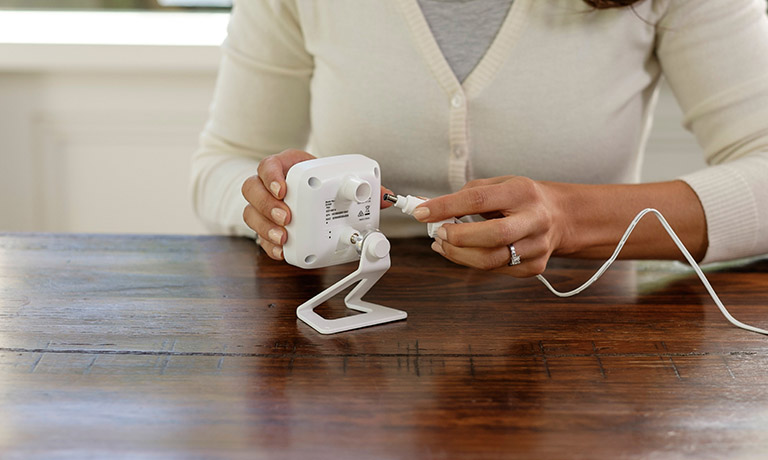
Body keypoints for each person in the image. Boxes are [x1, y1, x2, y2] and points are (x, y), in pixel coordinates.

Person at [191, 0, 768, 277]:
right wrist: (278, 202)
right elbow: (223, 162)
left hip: (592, 355)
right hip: (350, 366)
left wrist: (569, 218)